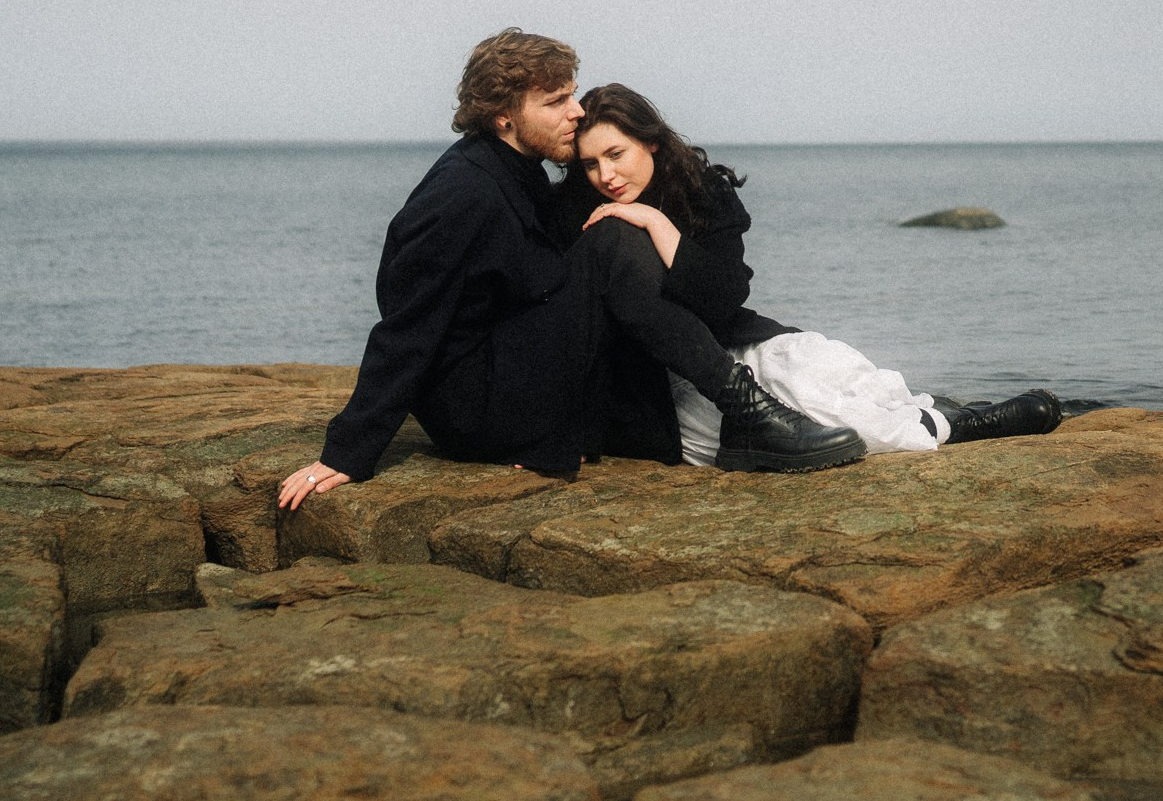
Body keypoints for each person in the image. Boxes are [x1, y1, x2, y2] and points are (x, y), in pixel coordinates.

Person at [279, 31, 863, 514]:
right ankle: (747, 414)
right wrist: (347, 452)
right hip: (481, 409)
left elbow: (564, 299)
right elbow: (409, 323)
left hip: (519, 377)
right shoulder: (462, 192)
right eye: (556, 101)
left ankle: (745, 415)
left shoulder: (521, 172)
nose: (576, 112)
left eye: (572, 95)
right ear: (504, 117)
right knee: (612, 239)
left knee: (616, 241)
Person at [560, 82, 1063, 467]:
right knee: (822, 418)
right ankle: (961, 426)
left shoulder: (703, 193)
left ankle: (935, 412)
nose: (606, 176)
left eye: (615, 155)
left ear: (650, 142)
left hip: (724, 342)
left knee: (821, 367)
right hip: (659, 383)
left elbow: (720, 299)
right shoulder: (580, 215)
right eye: (590, 164)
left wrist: (656, 223)